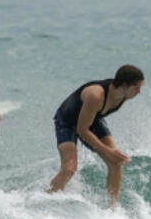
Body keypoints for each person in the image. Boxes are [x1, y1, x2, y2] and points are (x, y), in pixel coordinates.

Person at [48, 64, 145, 206]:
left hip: (90, 119)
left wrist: (111, 153)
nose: (139, 92)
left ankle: (112, 211)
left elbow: (88, 123)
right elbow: (82, 130)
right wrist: (108, 151)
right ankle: (47, 198)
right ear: (124, 85)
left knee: (116, 162)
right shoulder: (96, 95)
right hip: (67, 121)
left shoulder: (123, 96)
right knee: (69, 169)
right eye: (136, 88)